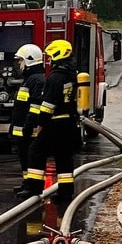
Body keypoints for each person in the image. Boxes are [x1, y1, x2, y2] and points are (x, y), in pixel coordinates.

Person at [15, 39, 77, 203]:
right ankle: (65, 192)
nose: (48, 60)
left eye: (50, 56)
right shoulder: (71, 75)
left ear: (57, 55)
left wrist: (41, 124)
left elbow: (47, 105)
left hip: (54, 122)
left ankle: (34, 187)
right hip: (68, 122)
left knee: (36, 150)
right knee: (64, 157)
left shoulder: (55, 78)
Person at [9, 43, 45, 193]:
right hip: (23, 129)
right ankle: (27, 183)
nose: (19, 63)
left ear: (29, 60)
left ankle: (33, 186)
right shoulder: (29, 79)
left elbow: (35, 107)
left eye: (21, 60)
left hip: (30, 130)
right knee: (24, 158)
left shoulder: (37, 80)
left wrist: (28, 126)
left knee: (32, 159)